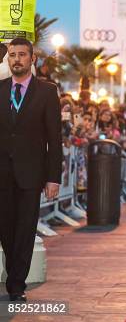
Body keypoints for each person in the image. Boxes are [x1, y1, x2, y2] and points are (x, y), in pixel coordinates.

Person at [0, 38, 62, 301]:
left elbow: (54, 138)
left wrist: (53, 178)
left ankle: (16, 285)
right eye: (12, 55)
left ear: (32, 59)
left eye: (22, 54)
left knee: (25, 229)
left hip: (31, 174)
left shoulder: (47, 92)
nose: (16, 59)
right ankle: (14, 272)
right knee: (5, 228)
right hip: (2, 173)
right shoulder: (0, 89)